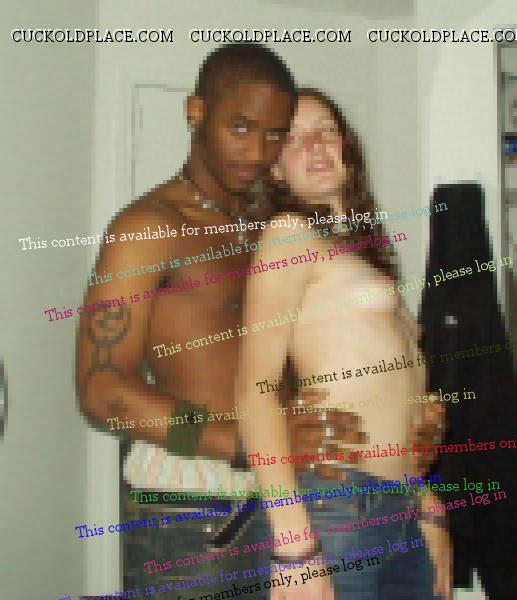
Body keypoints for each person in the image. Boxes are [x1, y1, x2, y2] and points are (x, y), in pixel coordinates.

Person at [76, 45, 365, 593]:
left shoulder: (273, 226)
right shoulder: (148, 228)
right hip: (190, 508)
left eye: (274, 134)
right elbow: (101, 390)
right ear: (196, 112)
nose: (257, 151)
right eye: (240, 127)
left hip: (287, 496)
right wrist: (243, 443)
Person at [235, 89, 452, 600]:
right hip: (335, 504)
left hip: (399, 505)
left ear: (345, 148)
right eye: (293, 137)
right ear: (275, 169)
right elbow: (253, 387)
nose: (315, 144)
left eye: (326, 129)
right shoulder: (289, 235)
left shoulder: (363, 254)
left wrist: (426, 502)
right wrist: (293, 544)